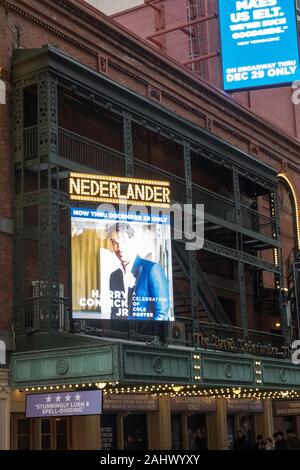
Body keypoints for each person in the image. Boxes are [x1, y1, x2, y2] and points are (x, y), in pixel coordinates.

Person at [107, 223, 170, 320]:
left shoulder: (153, 269)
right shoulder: (114, 276)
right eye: (115, 243)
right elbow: (115, 313)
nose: (120, 248)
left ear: (132, 240)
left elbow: (162, 314)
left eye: (123, 241)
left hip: (148, 333)